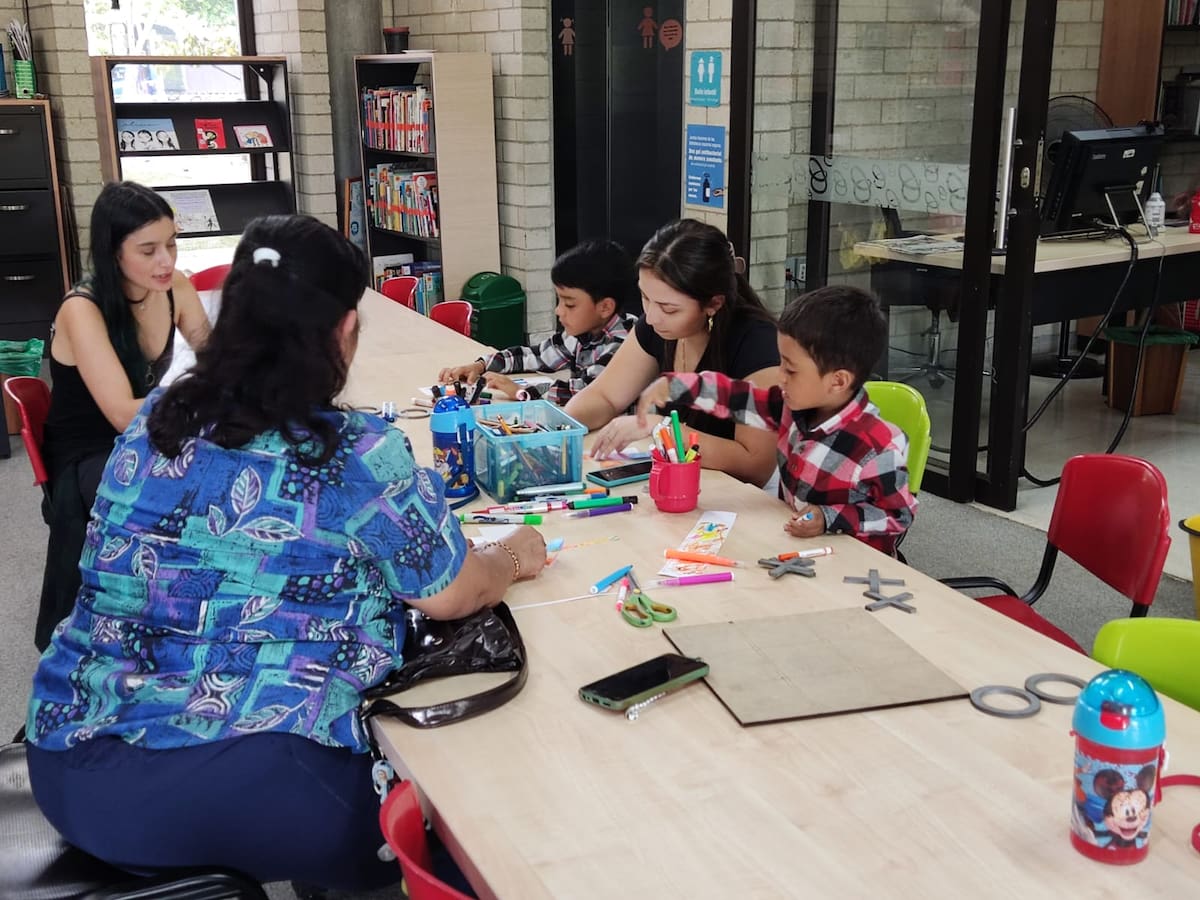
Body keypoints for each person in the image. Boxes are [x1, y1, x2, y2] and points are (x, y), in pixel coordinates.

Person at [25, 214, 547, 891]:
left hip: (70, 769)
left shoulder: (155, 420)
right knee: (477, 820)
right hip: (247, 790)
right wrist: (513, 552)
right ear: (344, 330)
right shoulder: (353, 453)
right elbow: (452, 591)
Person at [35, 181, 210, 651]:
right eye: (149, 250)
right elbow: (120, 415)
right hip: (90, 456)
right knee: (201, 486)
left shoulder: (174, 286)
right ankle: (173, 615)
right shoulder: (82, 308)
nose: (166, 261)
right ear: (114, 254)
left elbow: (217, 358)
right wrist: (204, 396)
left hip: (146, 434)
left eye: (171, 244)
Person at [635, 285, 917, 556]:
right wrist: (679, 387)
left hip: (857, 565)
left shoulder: (878, 446)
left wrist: (831, 517)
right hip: (800, 548)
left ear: (838, 381)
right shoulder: (789, 406)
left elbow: (898, 515)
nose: (780, 376)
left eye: (791, 370)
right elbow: (737, 398)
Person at [565, 219, 780, 487]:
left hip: (740, 502)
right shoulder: (658, 326)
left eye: (669, 308)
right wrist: (560, 429)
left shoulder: (756, 342)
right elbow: (605, 395)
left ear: (713, 304)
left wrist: (659, 428)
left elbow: (755, 465)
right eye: (645, 297)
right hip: (684, 487)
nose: (652, 317)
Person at [436, 239, 639, 404]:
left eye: (569, 304)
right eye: (559, 300)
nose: (558, 310)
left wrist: (521, 391)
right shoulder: (584, 332)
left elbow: (586, 393)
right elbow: (535, 355)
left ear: (605, 307)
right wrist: (480, 365)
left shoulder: (623, 343)